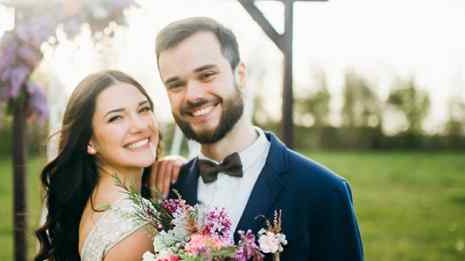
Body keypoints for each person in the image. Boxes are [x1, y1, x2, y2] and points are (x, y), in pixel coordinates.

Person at [151, 17, 364, 260]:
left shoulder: (323, 191)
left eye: (207, 75)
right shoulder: (165, 191)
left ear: (240, 74)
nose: (193, 95)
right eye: (176, 85)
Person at [35, 70, 159, 261]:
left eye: (143, 109)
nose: (140, 126)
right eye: (116, 117)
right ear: (90, 142)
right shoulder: (135, 230)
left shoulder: (97, 200)